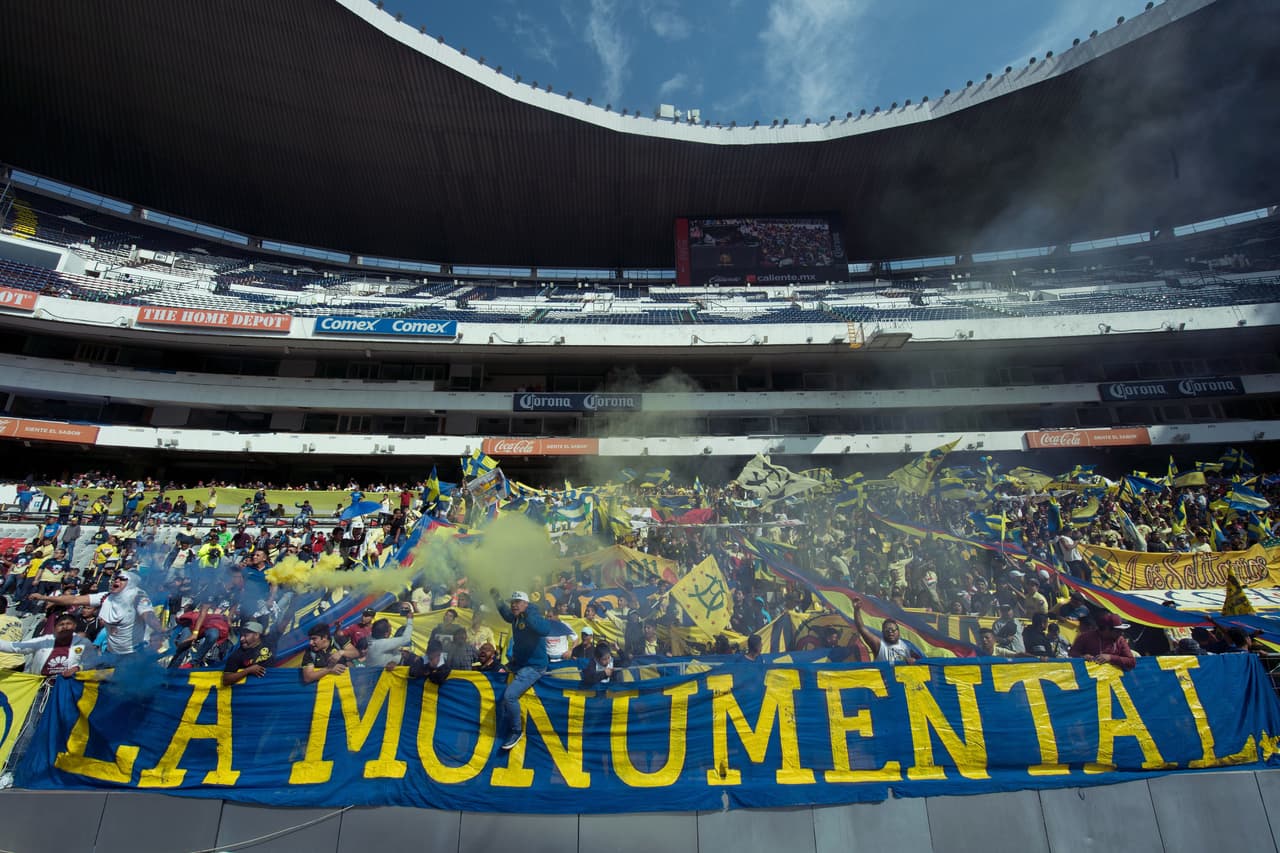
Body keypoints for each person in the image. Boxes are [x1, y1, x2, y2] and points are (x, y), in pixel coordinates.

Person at [29, 572, 162, 664]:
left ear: (131, 583)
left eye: (122, 579)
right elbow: (74, 599)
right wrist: (44, 597)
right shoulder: (105, 597)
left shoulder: (138, 596)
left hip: (134, 654)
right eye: (116, 578)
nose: (117, 580)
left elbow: (147, 614)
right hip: (111, 653)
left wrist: (159, 629)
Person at [493, 588, 556, 751]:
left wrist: (528, 616)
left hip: (534, 666)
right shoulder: (516, 616)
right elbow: (507, 615)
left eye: (517, 603)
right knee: (496, 674)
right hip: (520, 663)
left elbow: (545, 629)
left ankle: (516, 731)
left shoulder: (531, 615)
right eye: (512, 602)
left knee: (510, 696)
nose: (513, 605)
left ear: (526, 604)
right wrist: (497, 599)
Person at [0, 611, 94, 676]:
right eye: (61, 624)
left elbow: (93, 662)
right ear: (54, 628)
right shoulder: (43, 641)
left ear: (74, 626)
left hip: (67, 689)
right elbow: (14, 647)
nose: (65, 627)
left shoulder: (83, 643)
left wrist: (78, 668)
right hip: (41, 687)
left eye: (68, 624)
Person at [852, 598, 918, 664]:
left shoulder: (906, 646)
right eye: (887, 630)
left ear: (898, 632)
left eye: (893, 630)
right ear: (883, 632)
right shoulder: (879, 645)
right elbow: (862, 628)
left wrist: (913, 660)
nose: (890, 632)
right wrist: (857, 610)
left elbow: (921, 659)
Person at [1068, 613, 1136, 670]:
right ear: (1106, 629)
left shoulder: (1120, 640)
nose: (1121, 633)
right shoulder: (1085, 637)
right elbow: (1072, 653)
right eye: (1118, 631)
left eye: (1122, 630)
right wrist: (1082, 657)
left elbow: (1131, 662)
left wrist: (1110, 657)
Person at [221, 621, 273, 685]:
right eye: (241, 635)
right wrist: (248, 670)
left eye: (245, 635)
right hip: (255, 690)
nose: (241, 639)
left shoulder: (269, 642)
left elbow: (283, 623)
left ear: (256, 635)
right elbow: (226, 680)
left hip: (273, 685)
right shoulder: (237, 655)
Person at [367, 604, 415, 669]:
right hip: (381, 675)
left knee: (404, 653)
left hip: (380, 669)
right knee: (414, 659)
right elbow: (406, 639)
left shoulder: (370, 639)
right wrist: (410, 620)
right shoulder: (382, 644)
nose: (391, 628)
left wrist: (394, 660)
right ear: (386, 634)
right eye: (390, 628)